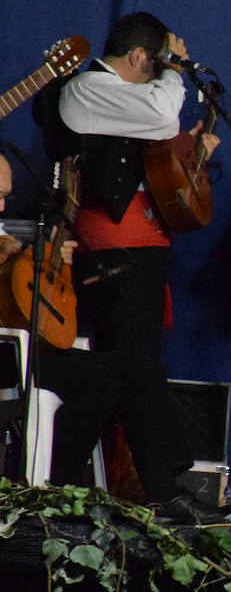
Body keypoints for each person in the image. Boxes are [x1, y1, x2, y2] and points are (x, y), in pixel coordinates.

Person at [33, 11, 215, 510]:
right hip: (112, 244)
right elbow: (158, 115)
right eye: (154, 68)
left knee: (136, 364)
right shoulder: (88, 87)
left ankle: (152, 486)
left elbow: (148, 143)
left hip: (140, 242)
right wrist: (175, 71)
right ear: (139, 57)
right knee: (134, 362)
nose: (159, 79)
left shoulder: (117, 97)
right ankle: (159, 487)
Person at [0, 154, 198, 508]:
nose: (2, 206)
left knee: (139, 370)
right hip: (5, 354)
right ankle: (48, 494)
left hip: (27, 347)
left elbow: (24, 295)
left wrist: (53, 265)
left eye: (6, 196)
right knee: (96, 383)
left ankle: (165, 493)